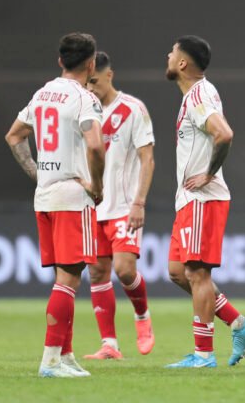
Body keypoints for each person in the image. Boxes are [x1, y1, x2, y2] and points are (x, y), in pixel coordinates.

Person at [4, 32, 105, 378]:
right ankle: (49, 360)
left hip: (45, 196)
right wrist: (98, 187)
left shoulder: (42, 93)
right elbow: (95, 146)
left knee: (65, 277)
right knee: (69, 278)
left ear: (60, 61)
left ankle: (65, 356)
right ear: (91, 64)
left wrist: (38, 174)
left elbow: (14, 135)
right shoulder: (84, 98)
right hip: (72, 197)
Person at [163, 35, 245, 369]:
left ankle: (203, 354)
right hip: (189, 199)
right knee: (178, 271)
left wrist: (208, 173)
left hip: (203, 198)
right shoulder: (193, 94)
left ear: (183, 63)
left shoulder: (199, 94)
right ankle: (239, 323)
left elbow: (224, 133)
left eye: (172, 53)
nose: (168, 56)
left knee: (197, 273)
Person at [83, 51, 156, 360]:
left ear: (109, 75)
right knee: (98, 273)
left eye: (95, 82)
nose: (90, 89)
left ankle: (142, 316)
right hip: (91, 206)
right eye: (86, 83)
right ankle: (109, 345)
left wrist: (139, 202)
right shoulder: (83, 110)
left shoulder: (132, 109)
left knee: (125, 271)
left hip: (124, 206)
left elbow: (147, 158)